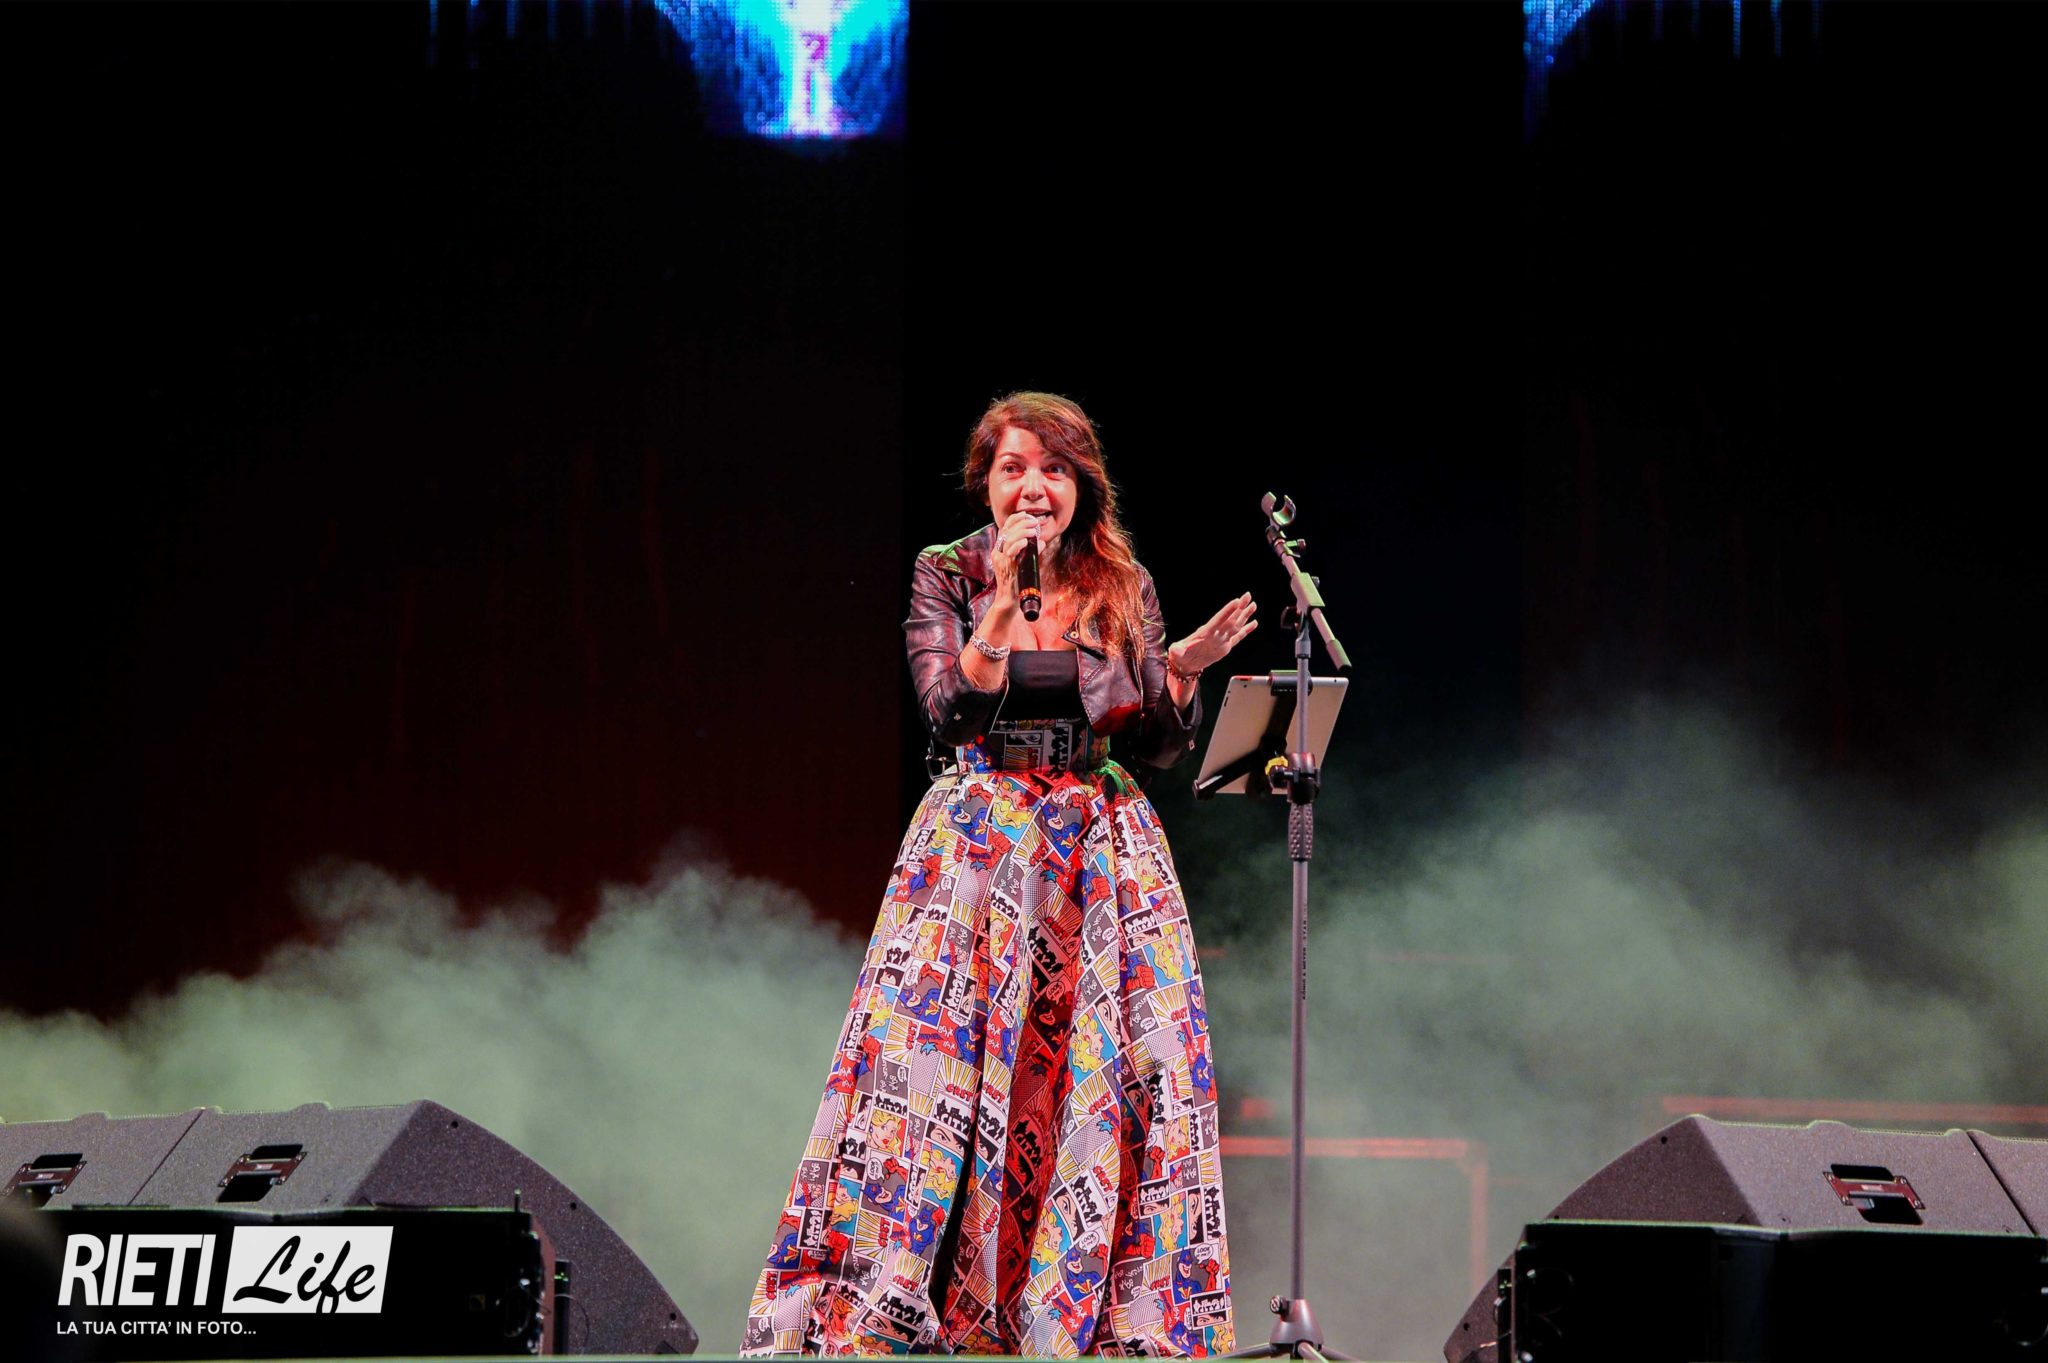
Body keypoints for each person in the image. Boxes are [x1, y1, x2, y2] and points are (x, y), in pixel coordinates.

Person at [743, 392, 1256, 1358]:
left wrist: (1181, 669)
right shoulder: (947, 571)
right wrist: (999, 606)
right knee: (935, 1069)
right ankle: (906, 1309)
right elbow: (948, 713)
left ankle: (1093, 1317)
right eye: (1015, 467)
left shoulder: (1123, 581)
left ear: (1081, 485)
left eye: (1055, 469)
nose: (1034, 487)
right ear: (988, 482)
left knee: (1115, 1067)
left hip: (1097, 849)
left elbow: (1151, 746)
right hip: (980, 845)